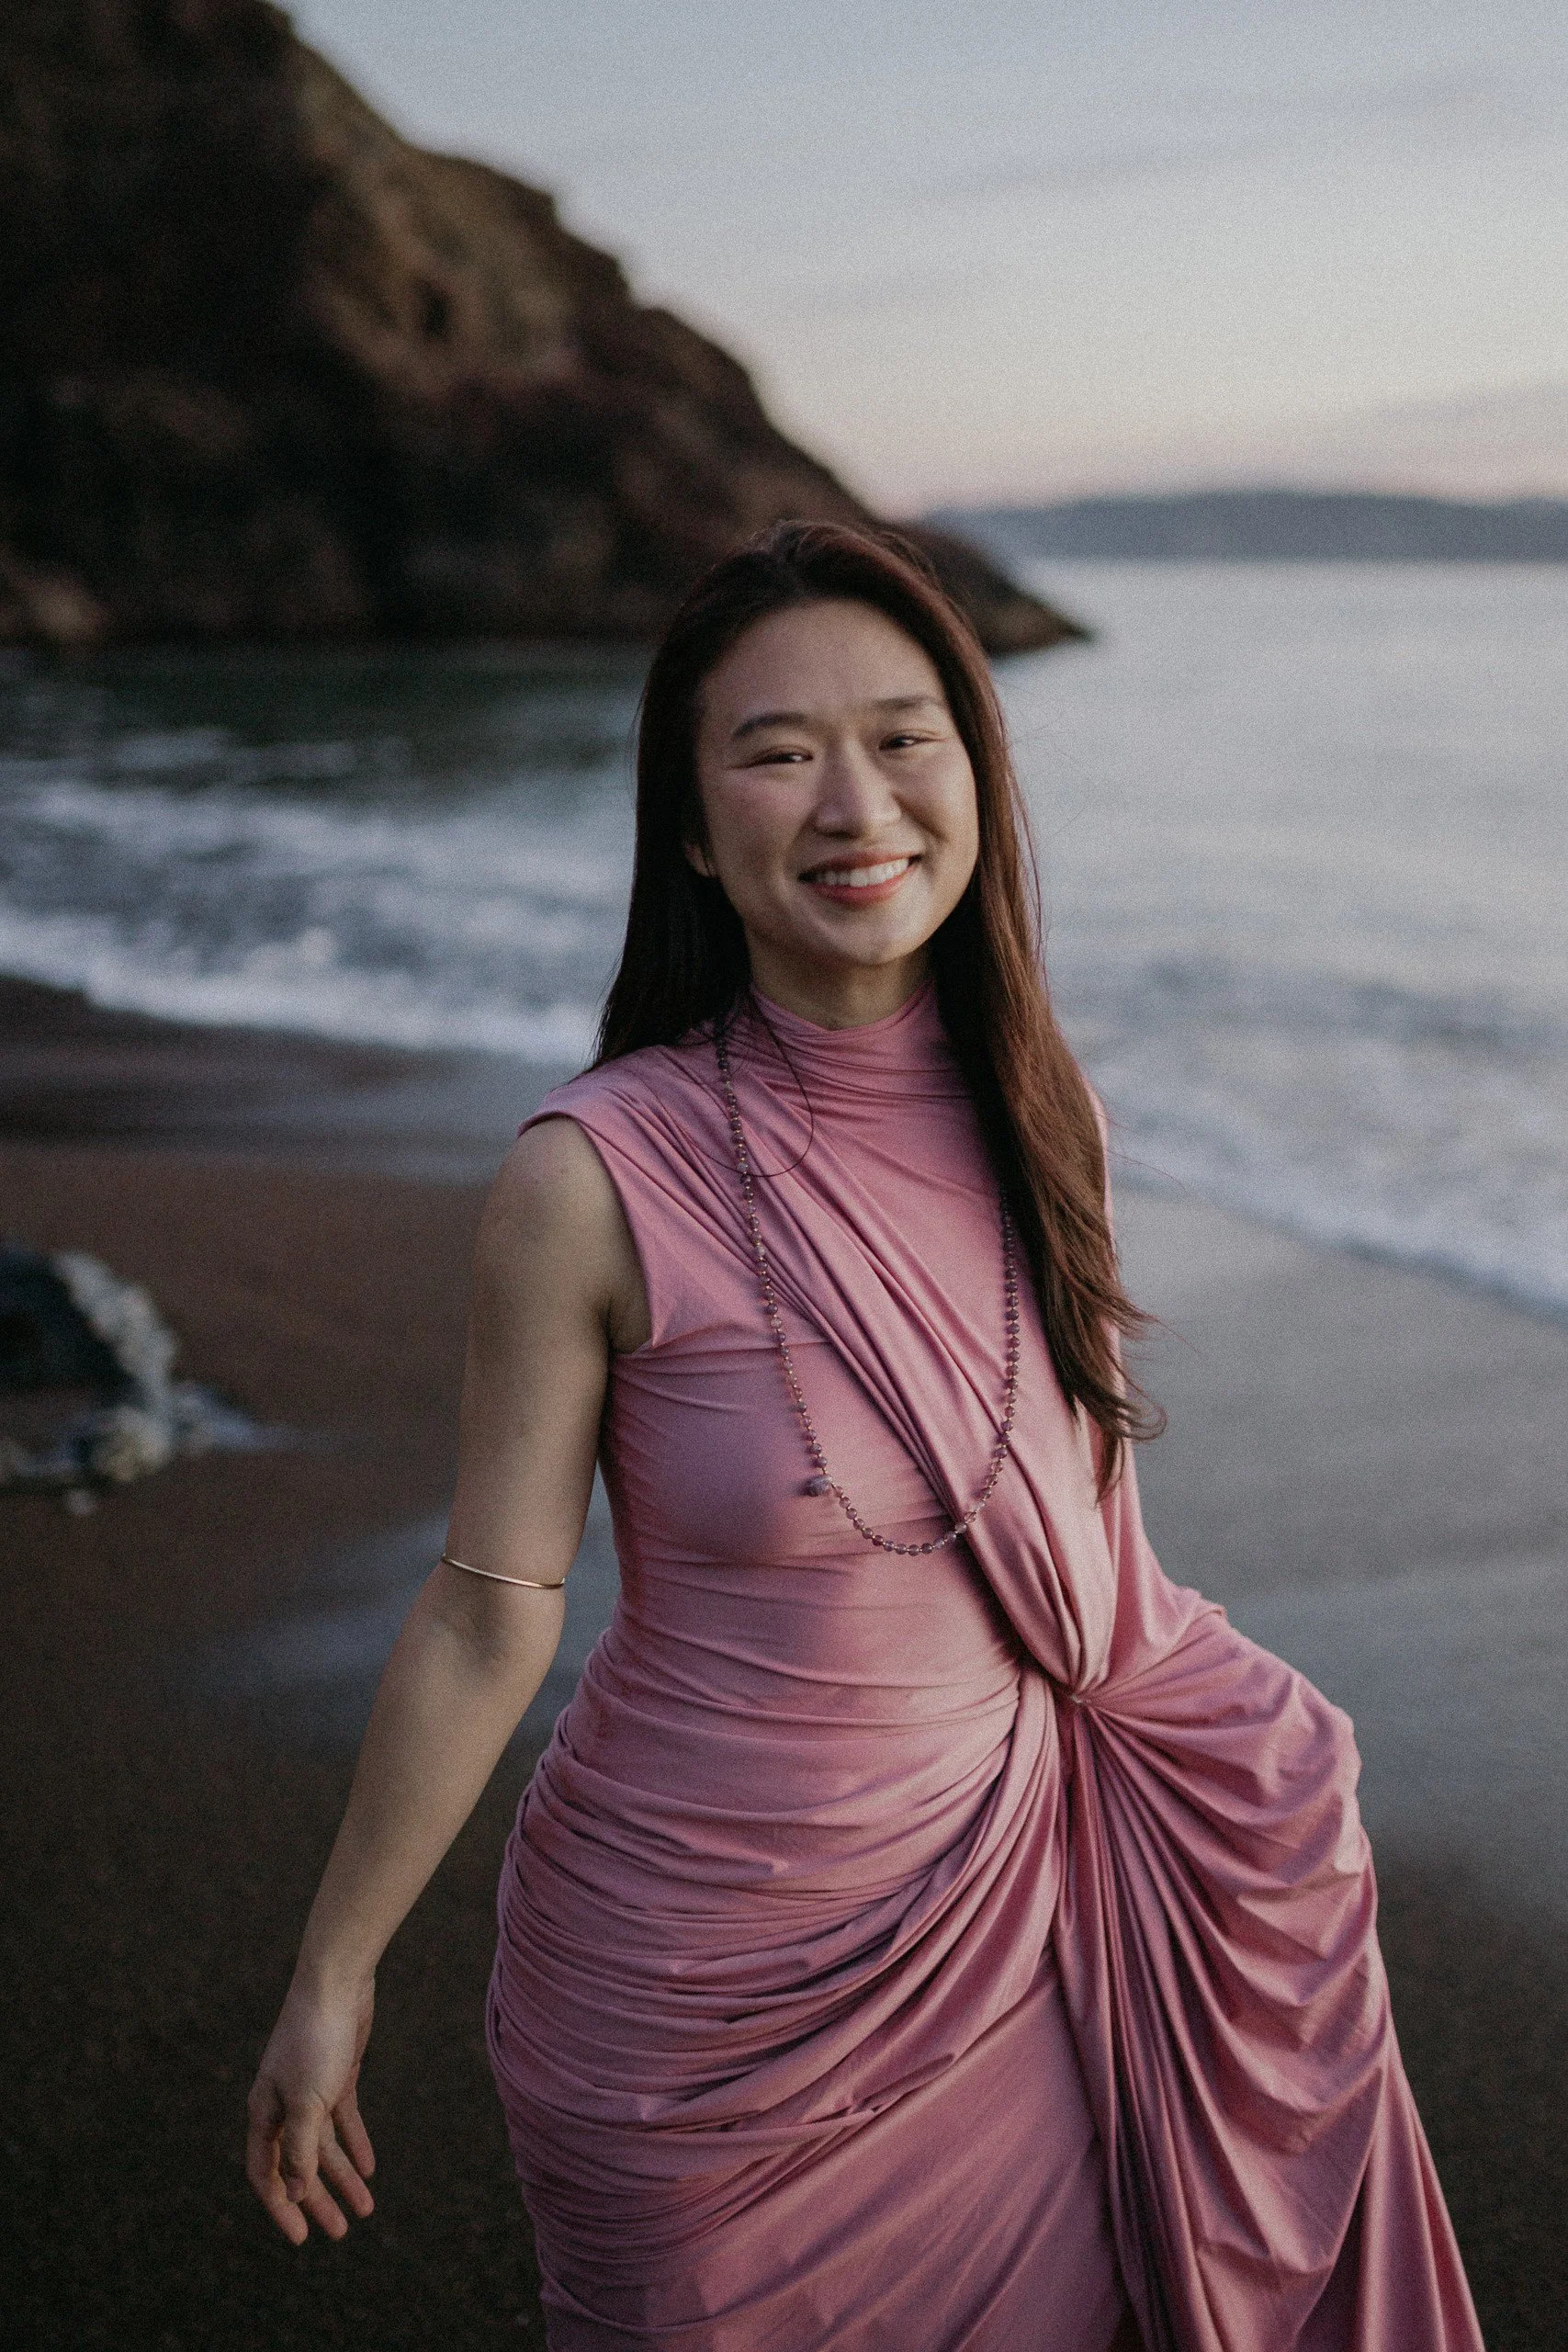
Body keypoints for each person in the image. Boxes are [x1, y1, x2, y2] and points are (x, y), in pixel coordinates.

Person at [246, 522, 1483, 2351]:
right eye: (776, 751)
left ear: (975, 772)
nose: (856, 803)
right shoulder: (588, 1178)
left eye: (904, 737)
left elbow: (1074, 1543)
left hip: (1014, 1937)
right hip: (685, 2013)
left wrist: (1243, 1803)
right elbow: (490, 1607)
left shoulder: (1045, 1115)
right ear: (690, 828)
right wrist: (333, 1968)